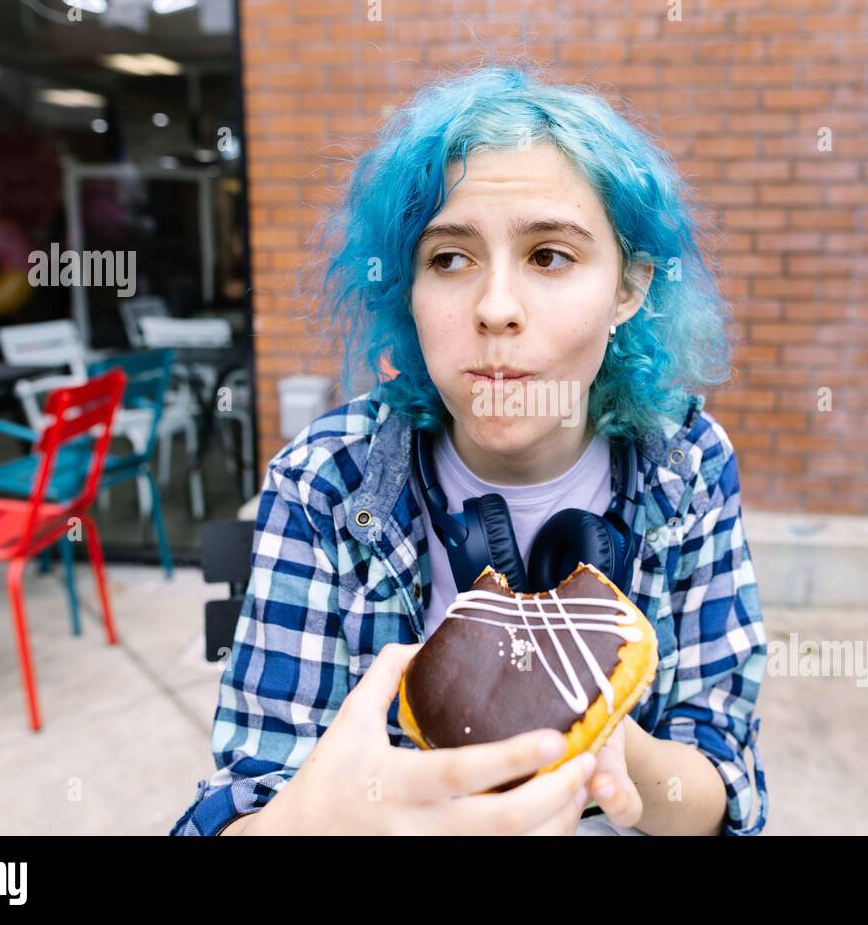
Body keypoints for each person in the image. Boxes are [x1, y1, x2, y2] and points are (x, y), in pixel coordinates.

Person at [170, 63, 769, 836]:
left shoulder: (685, 467)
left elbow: (724, 782)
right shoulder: (325, 485)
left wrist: (613, 752)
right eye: (450, 259)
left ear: (630, 289)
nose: (494, 308)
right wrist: (317, 823)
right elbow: (235, 808)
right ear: (405, 292)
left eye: (551, 255)